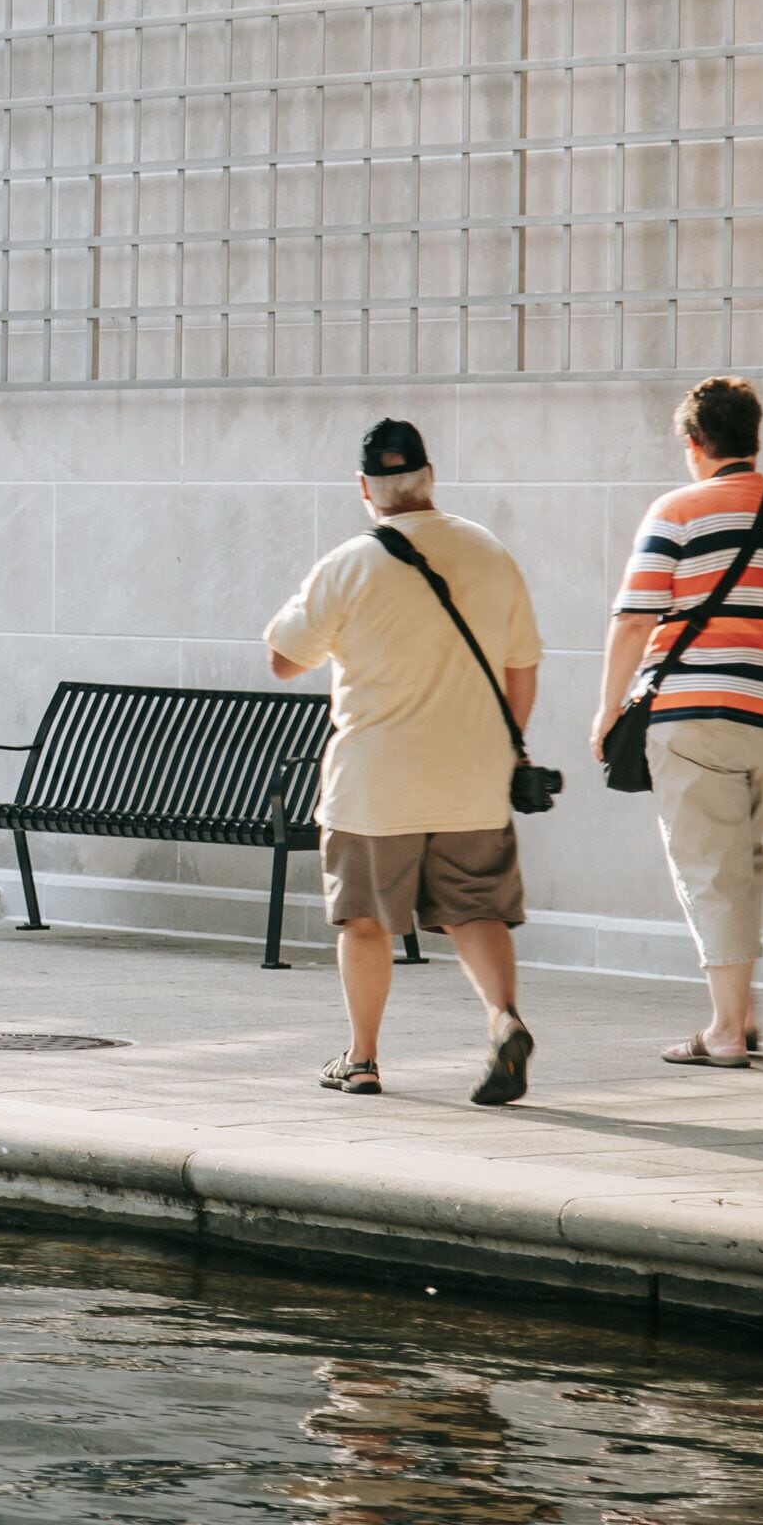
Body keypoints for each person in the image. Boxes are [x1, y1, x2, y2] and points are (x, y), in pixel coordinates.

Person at [264, 419, 545, 1107]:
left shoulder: (347, 564)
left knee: (364, 921)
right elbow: (523, 668)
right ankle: (504, 1018)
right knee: (476, 909)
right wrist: (505, 743)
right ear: (430, 475)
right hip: (470, 777)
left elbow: (283, 660)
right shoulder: (489, 552)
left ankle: (361, 1059)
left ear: (364, 487)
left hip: (374, 779)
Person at [596, 376, 763, 1070]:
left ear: (694, 444)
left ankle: (723, 1031)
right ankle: (742, 1013)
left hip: (698, 717)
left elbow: (633, 621)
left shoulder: (678, 510)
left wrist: (606, 708)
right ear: (753, 436)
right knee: (740, 854)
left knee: (710, 868)